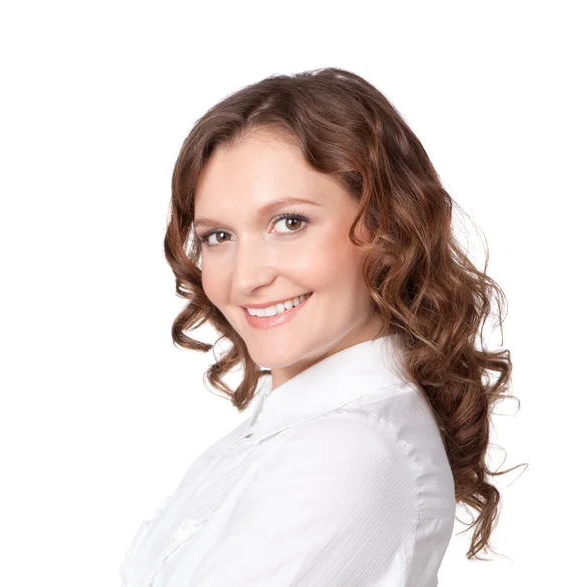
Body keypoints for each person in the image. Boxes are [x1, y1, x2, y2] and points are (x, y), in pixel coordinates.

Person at [120, 67, 523, 586]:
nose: (245, 277)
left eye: (290, 223)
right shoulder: (286, 429)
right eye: (218, 235)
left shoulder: (349, 450)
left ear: (387, 227)